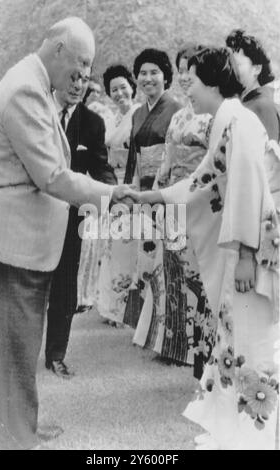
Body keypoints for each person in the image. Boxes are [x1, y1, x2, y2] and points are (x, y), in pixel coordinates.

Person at [0, 17, 134, 450]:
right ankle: (14, 437)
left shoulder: (33, 81)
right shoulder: (26, 89)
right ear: (58, 51)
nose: (84, 76)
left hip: (25, 239)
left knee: (23, 343)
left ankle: (19, 427)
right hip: (18, 241)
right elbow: (51, 174)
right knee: (16, 348)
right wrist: (110, 193)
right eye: (81, 65)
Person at [128, 47, 279, 450]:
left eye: (191, 81)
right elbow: (201, 181)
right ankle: (233, 428)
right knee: (234, 336)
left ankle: (253, 434)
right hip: (243, 248)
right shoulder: (225, 120)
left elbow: (251, 188)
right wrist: (154, 197)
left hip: (254, 251)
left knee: (252, 339)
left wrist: (248, 254)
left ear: (213, 80)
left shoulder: (239, 121)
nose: (187, 90)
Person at [133, 44, 214, 376]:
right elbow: (166, 159)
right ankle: (174, 344)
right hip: (173, 200)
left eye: (188, 71)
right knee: (172, 270)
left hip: (200, 201)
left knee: (198, 275)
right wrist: (155, 196)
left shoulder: (212, 115)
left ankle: (199, 350)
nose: (184, 77)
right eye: (181, 70)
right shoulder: (180, 116)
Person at [45, 70, 117, 379]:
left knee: (65, 283)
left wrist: (115, 197)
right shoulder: (36, 113)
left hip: (69, 214)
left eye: (83, 80)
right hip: (30, 211)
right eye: (71, 77)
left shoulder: (92, 122)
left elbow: (100, 167)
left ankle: (56, 354)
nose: (77, 85)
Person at [123, 48, 180, 328]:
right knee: (145, 255)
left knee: (166, 257)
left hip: (166, 189)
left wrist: (158, 188)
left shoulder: (177, 110)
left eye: (154, 72)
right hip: (142, 189)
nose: (148, 78)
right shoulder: (136, 114)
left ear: (165, 76)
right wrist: (132, 190)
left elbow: (176, 156)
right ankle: (147, 326)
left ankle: (167, 327)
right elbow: (134, 157)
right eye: (142, 73)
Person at [91, 64, 141, 325]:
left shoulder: (138, 115)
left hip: (131, 184)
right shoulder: (112, 118)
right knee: (112, 246)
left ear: (132, 87)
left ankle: (126, 310)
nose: (120, 93)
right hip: (113, 184)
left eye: (123, 87)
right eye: (114, 90)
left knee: (127, 247)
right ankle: (112, 308)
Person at [226, 29, 280, 141]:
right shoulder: (247, 102)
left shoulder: (262, 106)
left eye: (236, 64)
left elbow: (269, 156)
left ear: (256, 69)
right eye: (228, 64)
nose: (229, 70)